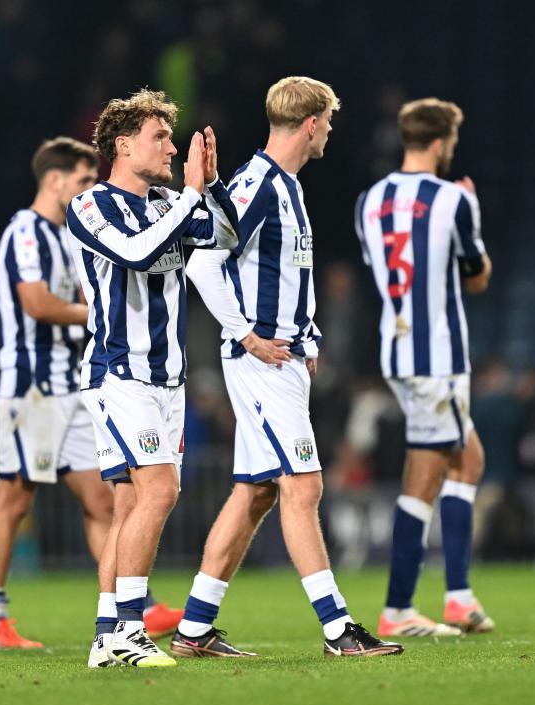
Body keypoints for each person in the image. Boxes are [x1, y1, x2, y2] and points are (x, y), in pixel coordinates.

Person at [170, 76, 403, 659]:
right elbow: (202, 265)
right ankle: (337, 630)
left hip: (284, 359)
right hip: (259, 364)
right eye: (328, 120)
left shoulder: (287, 186)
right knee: (303, 484)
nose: (330, 130)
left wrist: (308, 336)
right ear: (311, 123)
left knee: (255, 493)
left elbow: (284, 275)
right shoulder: (259, 187)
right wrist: (245, 334)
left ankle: (194, 628)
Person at [0, 137, 182, 649]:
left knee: (103, 502)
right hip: (34, 383)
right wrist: (100, 313)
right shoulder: (26, 231)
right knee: (13, 499)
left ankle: (137, 604)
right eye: (83, 181)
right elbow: (37, 304)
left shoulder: (72, 234)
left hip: (74, 384)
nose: (90, 190)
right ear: (55, 180)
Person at [65, 89, 239, 668]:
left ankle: (106, 634)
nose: (170, 146)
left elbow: (226, 238)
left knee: (129, 505)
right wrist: (189, 198)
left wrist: (208, 187)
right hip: (120, 374)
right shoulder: (91, 205)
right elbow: (137, 255)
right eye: (158, 137)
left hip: (168, 380)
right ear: (122, 144)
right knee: (161, 491)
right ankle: (130, 631)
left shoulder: (171, 201)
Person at [354, 97, 495, 637]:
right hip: (437, 355)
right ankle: (398, 608)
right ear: (441, 143)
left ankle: (459, 596)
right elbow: (476, 277)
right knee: (427, 474)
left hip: (395, 350)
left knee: (467, 459)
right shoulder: (452, 200)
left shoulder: (369, 201)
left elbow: (385, 271)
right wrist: (472, 214)